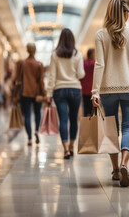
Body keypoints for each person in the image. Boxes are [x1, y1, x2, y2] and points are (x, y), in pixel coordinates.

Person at [91, 0, 129, 187]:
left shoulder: (101, 35)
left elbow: (99, 65)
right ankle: (125, 164)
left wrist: (95, 92)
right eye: (128, 12)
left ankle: (116, 170)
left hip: (108, 90)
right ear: (124, 14)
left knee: (111, 130)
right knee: (128, 128)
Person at [47, 28, 85, 159]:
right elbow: (81, 74)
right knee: (73, 119)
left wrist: (48, 93)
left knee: (63, 119)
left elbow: (52, 76)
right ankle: (71, 146)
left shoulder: (54, 54)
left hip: (59, 90)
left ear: (60, 39)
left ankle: (65, 149)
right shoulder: (78, 54)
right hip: (75, 89)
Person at [13, 43, 46, 146]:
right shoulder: (39, 64)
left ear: (27, 50)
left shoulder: (22, 63)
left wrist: (15, 94)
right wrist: (44, 93)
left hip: (25, 92)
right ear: (35, 51)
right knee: (37, 113)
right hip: (37, 93)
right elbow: (40, 81)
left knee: (27, 115)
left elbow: (18, 80)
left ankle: (30, 139)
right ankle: (36, 130)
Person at [81, 48, 95, 116]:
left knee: (85, 108)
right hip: (92, 88)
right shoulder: (94, 63)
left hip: (84, 88)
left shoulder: (83, 63)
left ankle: (85, 125)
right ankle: (92, 125)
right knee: (92, 109)